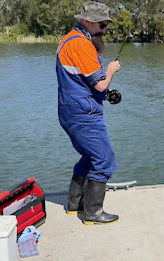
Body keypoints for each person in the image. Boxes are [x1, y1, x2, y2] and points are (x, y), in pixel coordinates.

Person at [56, 1, 120, 225]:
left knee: (90, 157)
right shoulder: (81, 45)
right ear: (87, 22)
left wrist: (104, 86)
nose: (104, 31)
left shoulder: (68, 40)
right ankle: (93, 212)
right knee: (104, 160)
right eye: (102, 26)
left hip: (71, 110)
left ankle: (75, 205)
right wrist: (111, 71)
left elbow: (83, 80)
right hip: (83, 114)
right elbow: (100, 85)